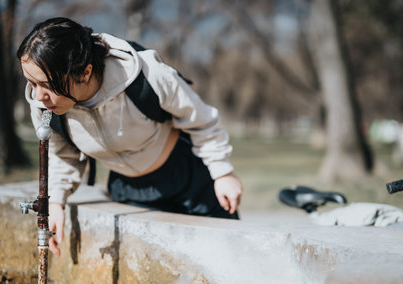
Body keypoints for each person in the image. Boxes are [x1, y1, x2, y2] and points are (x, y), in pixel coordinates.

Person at [17, 17, 242, 255]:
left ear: (84, 73)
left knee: (225, 256)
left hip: (187, 178)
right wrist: (56, 202)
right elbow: (63, 155)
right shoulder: (44, 105)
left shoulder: (146, 75)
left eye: (46, 84)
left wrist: (222, 172)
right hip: (128, 190)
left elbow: (200, 119)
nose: (38, 95)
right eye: (31, 82)